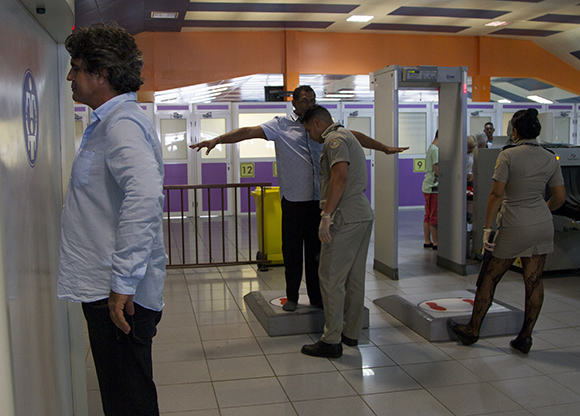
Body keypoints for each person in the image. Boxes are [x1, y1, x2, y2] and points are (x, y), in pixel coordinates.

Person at [190, 86, 407, 312]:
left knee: (317, 254)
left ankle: (317, 298)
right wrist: (217, 140)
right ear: (293, 103)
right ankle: (291, 296)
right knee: (292, 252)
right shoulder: (280, 125)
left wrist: (382, 148)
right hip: (293, 202)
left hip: (318, 203)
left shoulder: (321, 127)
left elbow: (352, 136)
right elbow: (248, 132)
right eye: (304, 101)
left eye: (312, 100)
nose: (309, 104)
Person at [58, 23, 166, 416]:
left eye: (76, 67)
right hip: (108, 288)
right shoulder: (108, 123)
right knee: (122, 397)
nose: (70, 76)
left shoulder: (121, 125)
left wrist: (122, 283)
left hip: (120, 297)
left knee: (129, 402)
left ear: (100, 74)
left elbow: (145, 195)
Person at [448, 108, 566, 354]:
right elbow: (560, 198)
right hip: (542, 224)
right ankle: (525, 337)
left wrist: (487, 228)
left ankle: (473, 329)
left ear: (514, 131)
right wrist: (542, 209)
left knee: (489, 277)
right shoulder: (550, 157)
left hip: (513, 223)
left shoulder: (508, 155)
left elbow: (496, 194)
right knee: (533, 280)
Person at [299, 105, 375, 358]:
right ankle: (350, 334)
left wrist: (327, 215)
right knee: (353, 278)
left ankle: (331, 340)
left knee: (331, 278)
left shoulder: (333, 140)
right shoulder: (346, 135)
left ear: (318, 123)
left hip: (344, 217)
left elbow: (339, 176)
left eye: (309, 129)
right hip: (361, 215)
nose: (310, 135)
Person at [422, 131, 439, 250]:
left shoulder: (431, 148)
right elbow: (438, 171)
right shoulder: (436, 150)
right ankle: (436, 243)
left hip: (427, 187)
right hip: (433, 188)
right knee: (434, 216)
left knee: (428, 215)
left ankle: (427, 241)